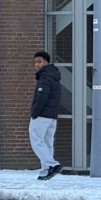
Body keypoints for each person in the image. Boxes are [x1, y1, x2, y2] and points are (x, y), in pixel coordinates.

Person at [30, 50, 63, 180]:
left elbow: (41, 97)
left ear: (46, 62)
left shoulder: (45, 78)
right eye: (35, 62)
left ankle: (51, 165)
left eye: (39, 62)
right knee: (47, 142)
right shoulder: (54, 76)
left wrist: (34, 113)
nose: (37, 65)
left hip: (42, 115)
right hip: (52, 116)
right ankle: (45, 171)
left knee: (36, 141)